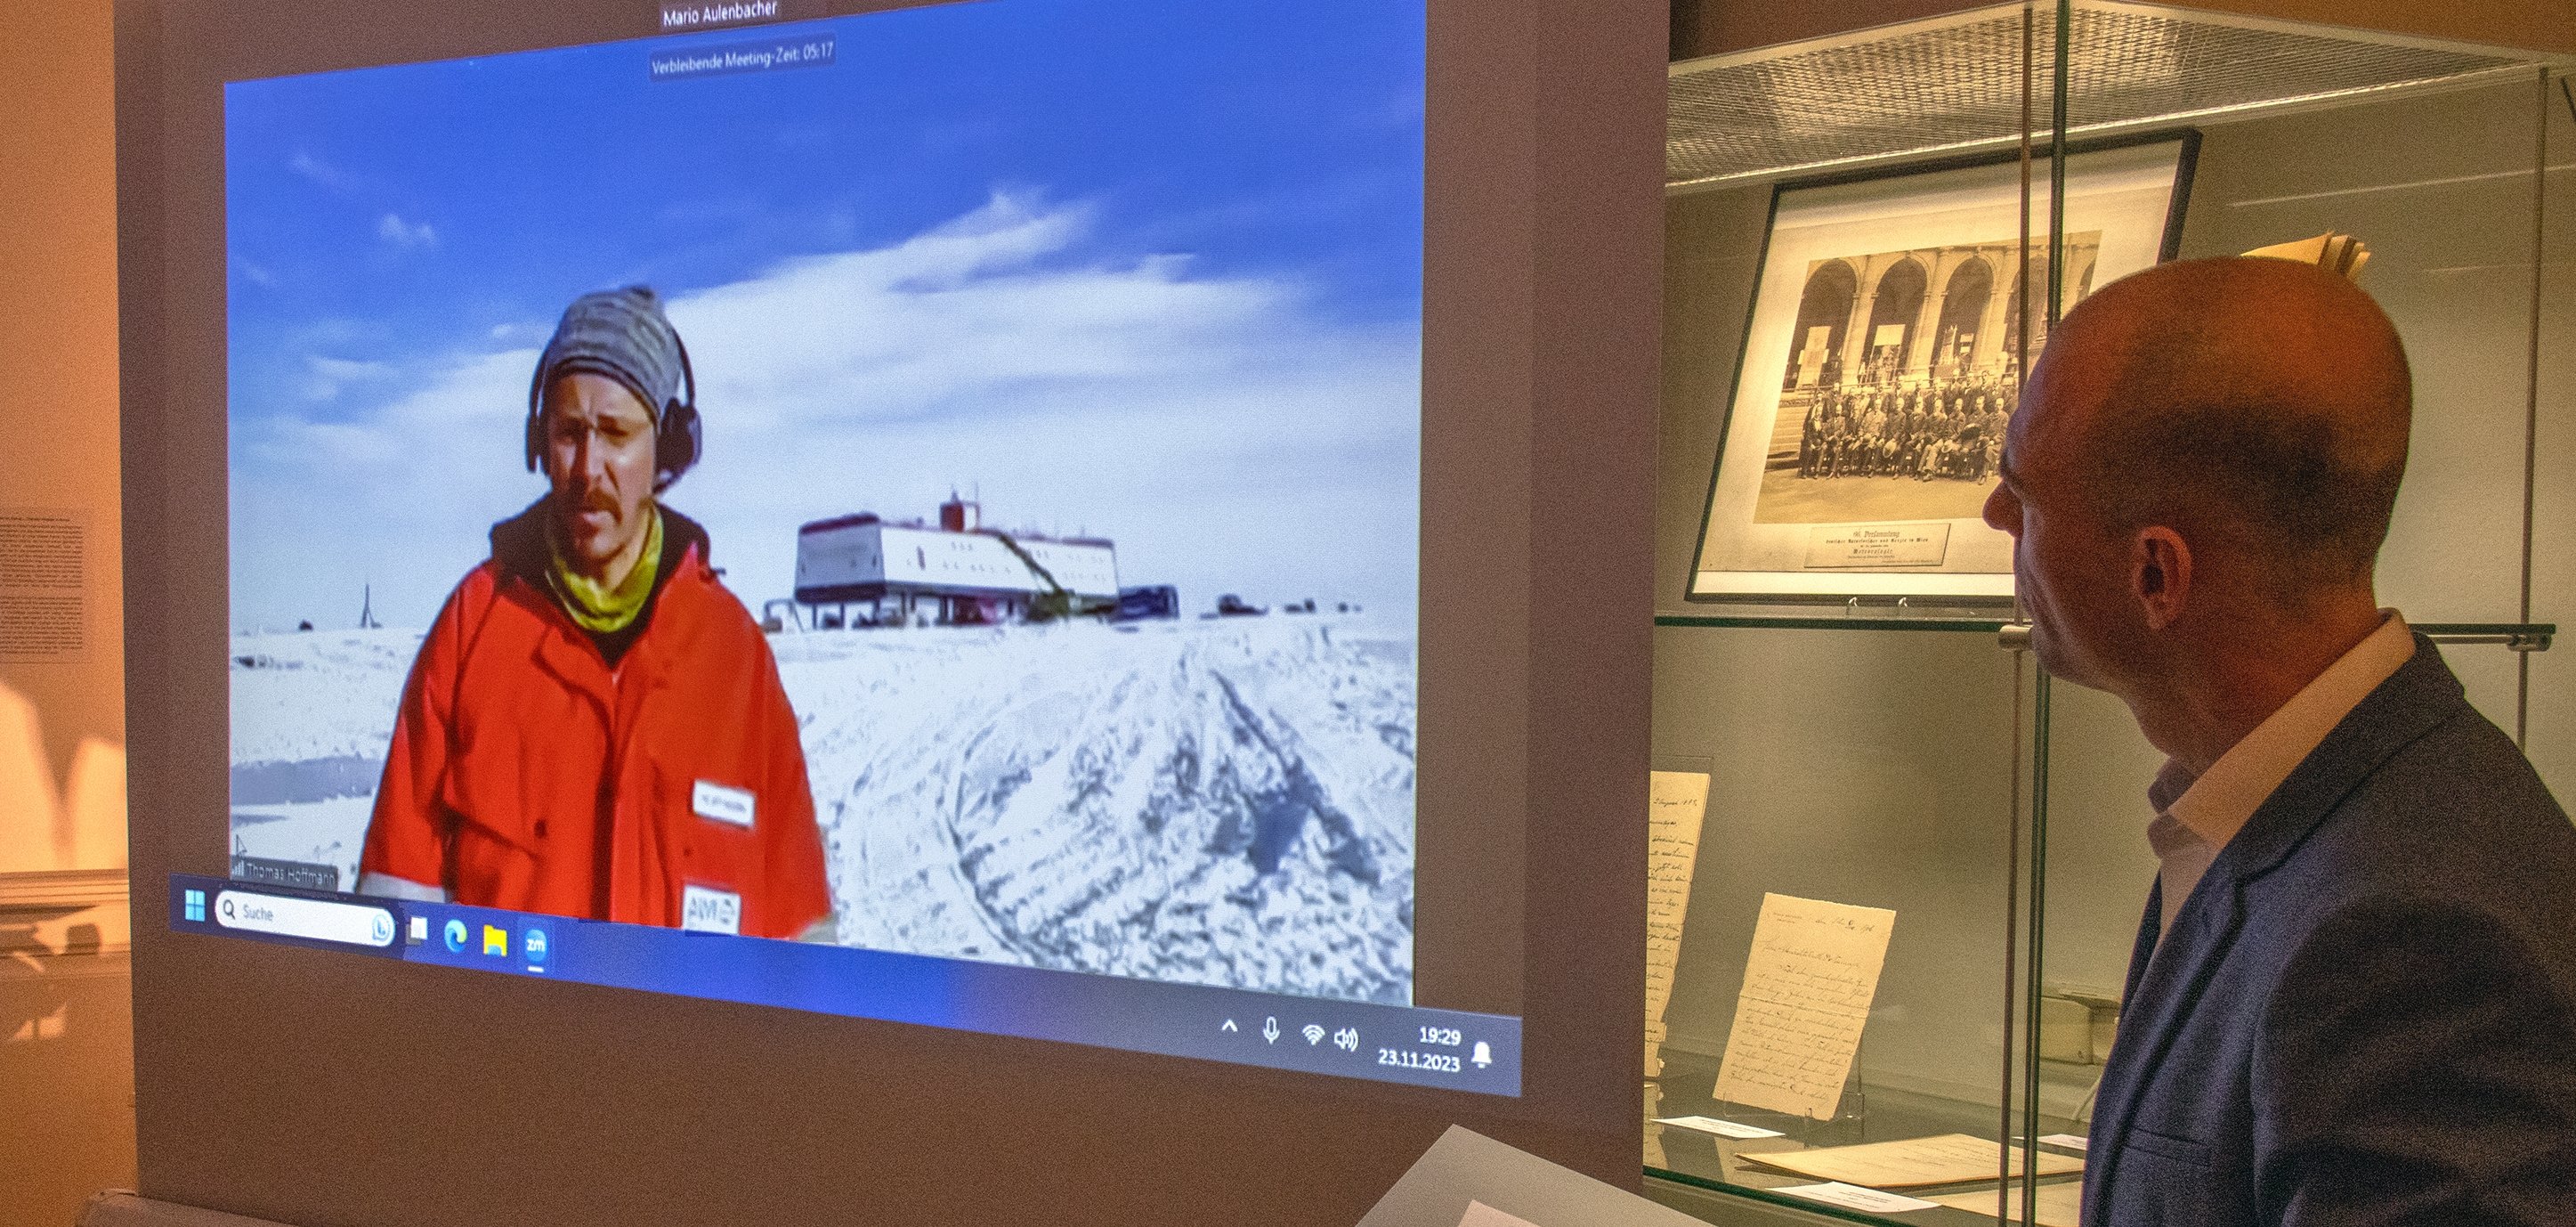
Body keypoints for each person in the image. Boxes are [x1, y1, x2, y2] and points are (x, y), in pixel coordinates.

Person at [1982, 256, 2576, 1226]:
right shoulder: (2302, 820)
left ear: (2155, 576)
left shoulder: (2409, 934)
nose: (1995, 517)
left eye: (2024, 493)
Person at [358, 287, 832, 940]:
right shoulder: (472, 629)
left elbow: (800, 942)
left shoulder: (736, 658)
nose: (588, 468)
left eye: (615, 435)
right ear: (538, 442)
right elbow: (396, 906)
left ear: (666, 452)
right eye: (569, 433)